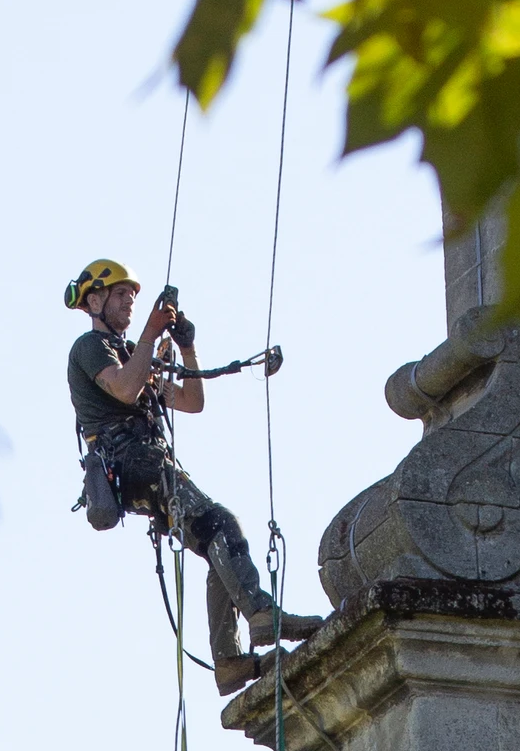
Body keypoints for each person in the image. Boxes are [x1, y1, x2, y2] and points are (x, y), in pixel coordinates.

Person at [63, 257, 324, 668]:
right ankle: (260, 614)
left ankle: (230, 662)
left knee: (213, 544)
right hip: (130, 461)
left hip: (147, 463)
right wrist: (151, 333)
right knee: (221, 523)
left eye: (132, 296)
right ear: (94, 301)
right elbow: (127, 390)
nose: (130, 303)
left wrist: (186, 347)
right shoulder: (90, 348)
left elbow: (192, 402)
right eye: (120, 295)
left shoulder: (133, 353)